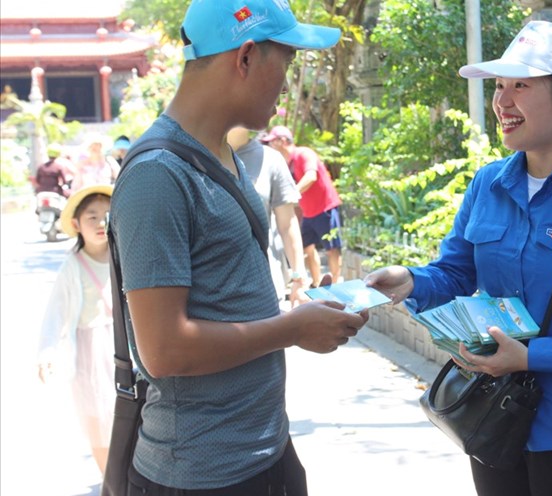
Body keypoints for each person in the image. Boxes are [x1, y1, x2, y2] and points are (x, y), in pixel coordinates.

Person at [365, 20, 552, 496]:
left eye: (521, 86)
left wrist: (532, 356)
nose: (501, 102)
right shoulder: (488, 184)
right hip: (492, 420)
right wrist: (408, 282)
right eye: (499, 86)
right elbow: (454, 273)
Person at [109, 0, 369, 493]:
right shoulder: (157, 176)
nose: (288, 85)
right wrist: (291, 329)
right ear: (246, 57)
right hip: (202, 473)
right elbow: (164, 349)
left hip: (264, 449)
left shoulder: (220, 150)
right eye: (286, 63)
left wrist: (305, 312)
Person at [37, 184, 115, 475]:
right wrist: (46, 352)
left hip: (124, 348)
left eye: (107, 215)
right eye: (91, 217)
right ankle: (109, 483)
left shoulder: (125, 259)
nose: (100, 223)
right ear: (76, 224)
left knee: (128, 419)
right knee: (98, 423)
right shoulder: (73, 265)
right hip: (90, 354)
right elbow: (55, 312)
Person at [227, 126, 310, 306]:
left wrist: (299, 278)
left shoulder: (270, 159)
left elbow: (287, 225)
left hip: (266, 289)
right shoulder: (190, 156)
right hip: (213, 300)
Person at [262, 125, 343, 287]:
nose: (270, 146)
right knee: (306, 247)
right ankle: (317, 283)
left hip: (325, 208)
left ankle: (335, 285)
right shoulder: (285, 163)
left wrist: (290, 194)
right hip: (308, 213)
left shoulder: (304, 153)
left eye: (273, 142)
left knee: (332, 249)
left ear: (283, 141)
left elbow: (311, 176)